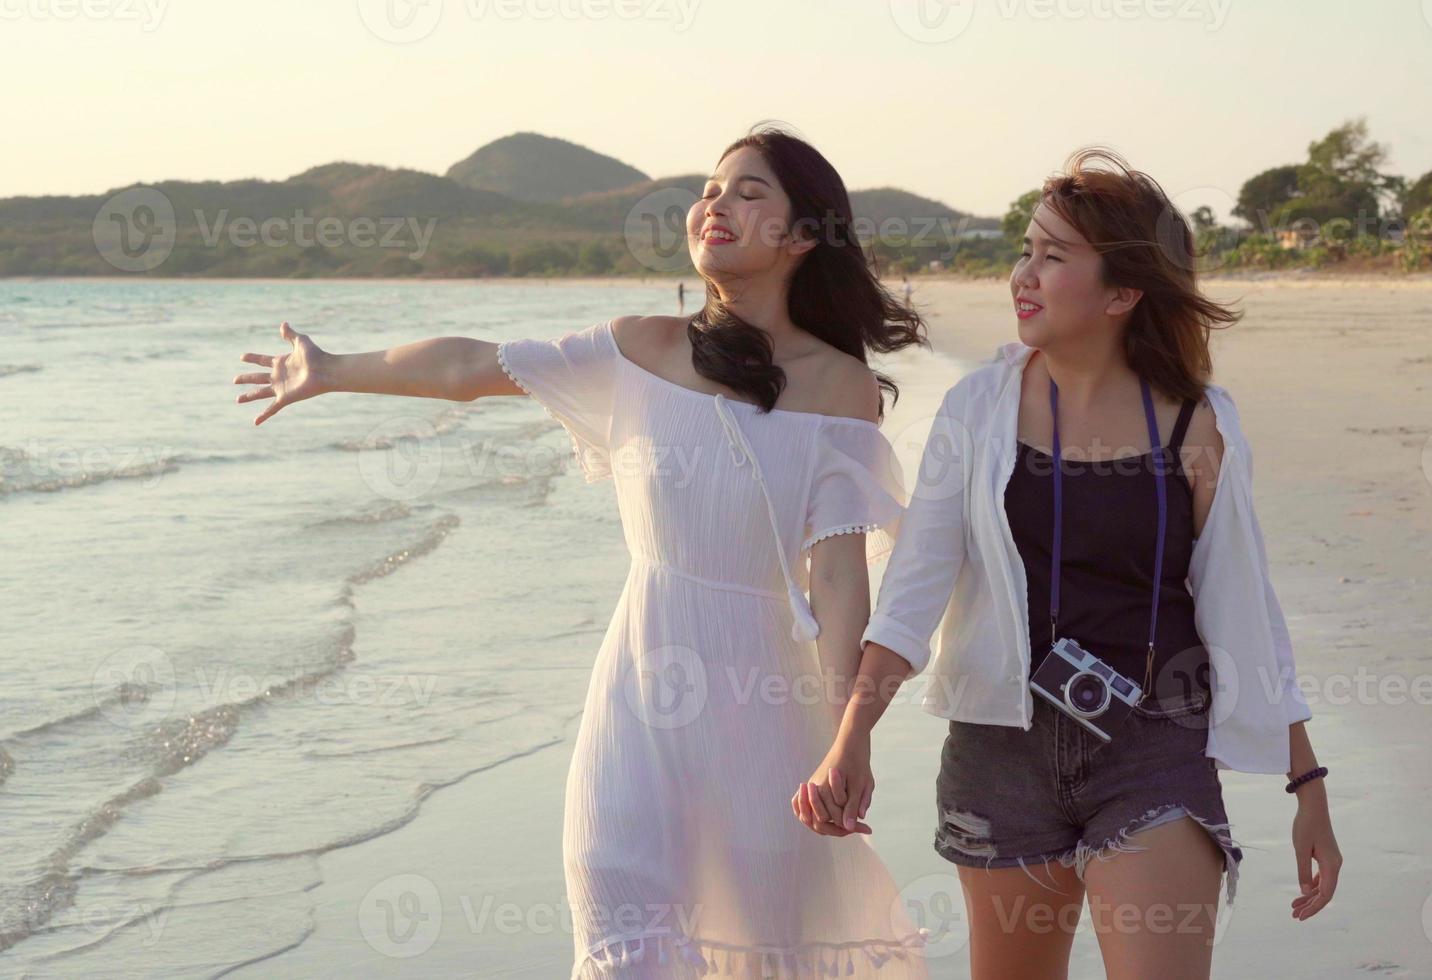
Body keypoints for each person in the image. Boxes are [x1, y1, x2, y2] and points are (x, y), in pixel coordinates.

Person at [235, 125, 933, 979]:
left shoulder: (839, 385)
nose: (717, 204)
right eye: (711, 189)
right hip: (637, 697)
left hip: (767, 709)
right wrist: (335, 368)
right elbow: (469, 367)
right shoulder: (642, 348)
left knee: (764, 952)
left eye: (750, 193)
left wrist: (844, 740)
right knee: (621, 939)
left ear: (799, 237)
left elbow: (837, 584)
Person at [794, 148, 1342, 979]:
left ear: (1124, 293)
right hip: (1001, 753)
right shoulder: (978, 409)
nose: (1025, 273)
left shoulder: (1197, 421)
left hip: (1154, 745)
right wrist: (851, 738)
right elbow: (914, 592)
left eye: (1054, 257)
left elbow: (1243, 607)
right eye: (1025, 249)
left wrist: (1308, 785)